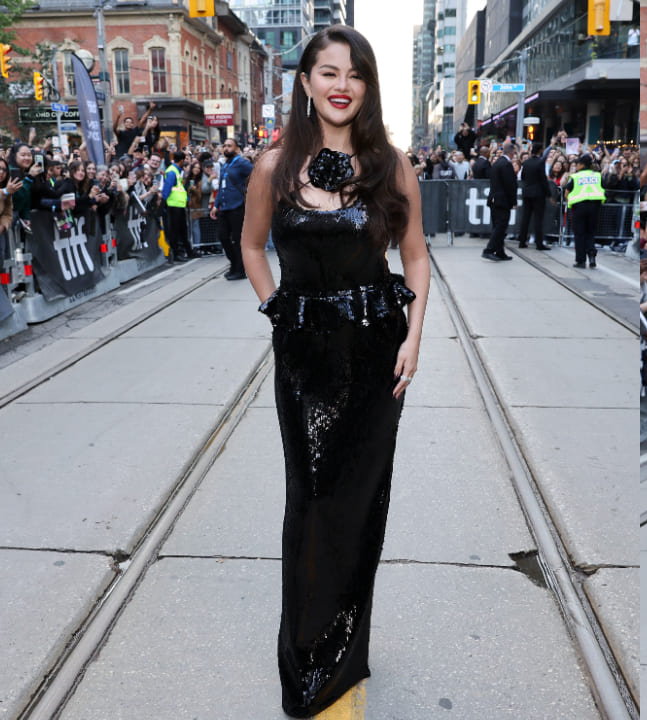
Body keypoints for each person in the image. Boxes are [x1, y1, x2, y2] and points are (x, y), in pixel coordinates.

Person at [240, 26, 430, 717]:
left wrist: (413, 339)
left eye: (354, 74)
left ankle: (346, 658)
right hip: (305, 359)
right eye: (327, 72)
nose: (341, 85)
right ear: (304, 83)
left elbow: (414, 258)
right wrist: (278, 312)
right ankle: (307, 661)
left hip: (376, 354)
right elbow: (252, 247)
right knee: (312, 504)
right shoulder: (272, 168)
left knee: (359, 507)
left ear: (368, 87)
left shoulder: (391, 166)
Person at [211, 138, 253, 280]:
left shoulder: (242, 163)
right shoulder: (224, 165)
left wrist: (249, 191)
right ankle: (234, 264)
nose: (226, 148)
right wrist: (216, 205)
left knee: (237, 240)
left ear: (236, 149)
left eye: (229, 146)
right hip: (224, 207)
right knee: (223, 237)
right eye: (225, 145)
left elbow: (256, 175)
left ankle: (240, 270)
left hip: (237, 207)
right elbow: (222, 187)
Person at [563, 155, 605, 268]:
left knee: (579, 234)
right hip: (594, 207)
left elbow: (566, 192)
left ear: (582, 165)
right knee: (590, 233)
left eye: (577, 164)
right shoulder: (597, 175)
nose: (576, 166)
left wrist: (570, 202)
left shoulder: (575, 176)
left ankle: (581, 261)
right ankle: (592, 257)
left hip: (579, 208)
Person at [483, 140, 517, 261]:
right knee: (501, 226)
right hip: (502, 200)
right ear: (512, 152)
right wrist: (514, 201)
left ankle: (499, 251)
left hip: (494, 199)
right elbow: (510, 184)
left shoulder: (497, 163)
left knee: (498, 226)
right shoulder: (506, 165)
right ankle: (489, 249)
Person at [516, 143, 552, 250]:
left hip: (527, 193)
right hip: (538, 194)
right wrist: (549, 194)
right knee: (538, 219)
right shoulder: (541, 162)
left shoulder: (526, 162)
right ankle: (539, 243)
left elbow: (522, 176)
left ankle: (522, 241)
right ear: (540, 150)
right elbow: (543, 180)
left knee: (525, 218)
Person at [160, 150, 193, 263]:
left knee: (182, 230)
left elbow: (179, 189)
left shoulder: (176, 171)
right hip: (173, 206)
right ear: (183, 161)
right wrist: (162, 205)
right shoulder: (172, 171)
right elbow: (167, 189)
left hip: (178, 205)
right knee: (175, 231)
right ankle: (177, 253)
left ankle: (187, 251)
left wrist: (186, 199)